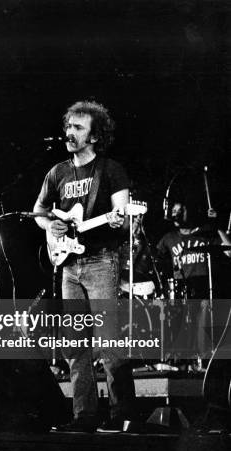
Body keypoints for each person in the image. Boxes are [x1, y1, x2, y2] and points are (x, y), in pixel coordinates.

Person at [33, 100, 136, 432]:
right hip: (69, 266)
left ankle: (124, 415)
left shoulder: (110, 169)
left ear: (95, 135)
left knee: (108, 343)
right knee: (75, 344)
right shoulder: (57, 173)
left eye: (78, 127)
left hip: (102, 262)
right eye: (68, 126)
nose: (69, 132)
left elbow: (121, 217)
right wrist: (50, 227)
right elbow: (39, 211)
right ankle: (84, 416)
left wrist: (119, 219)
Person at [156, 201, 231, 363]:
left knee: (205, 310)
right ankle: (176, 356)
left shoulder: (205, 234)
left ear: (189, 212)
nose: (175, 213)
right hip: (179, 288)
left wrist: (216, 225)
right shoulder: (168, 238)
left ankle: (203, 359)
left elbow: (229, 250)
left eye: (180, 210)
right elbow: (153, 261)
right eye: (173, 211)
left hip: (203, 287)